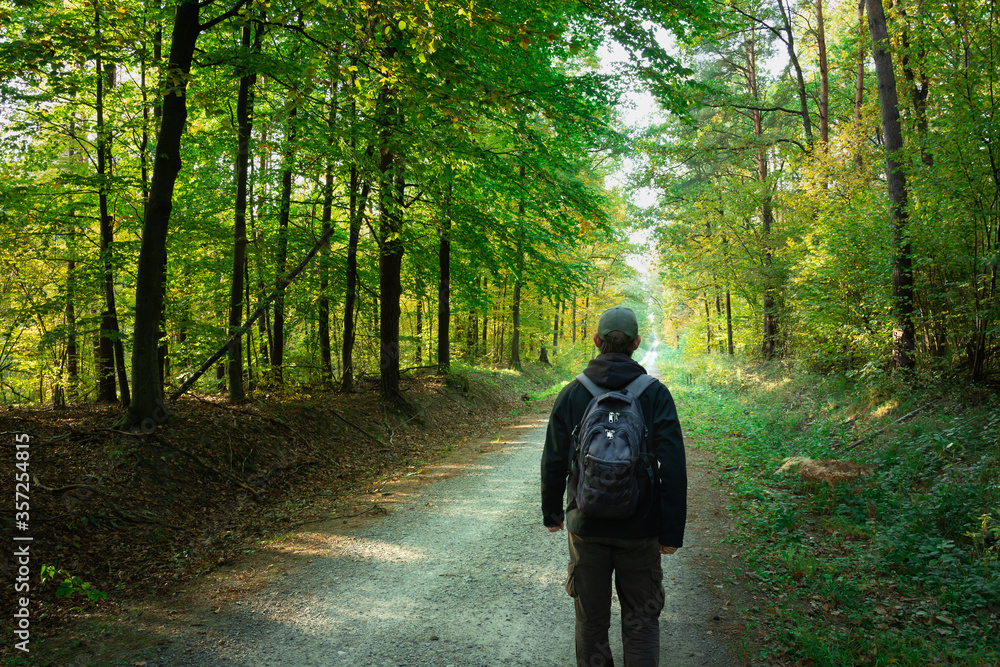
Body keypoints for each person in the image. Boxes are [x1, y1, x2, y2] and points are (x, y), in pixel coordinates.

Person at [541, 305, 687, 667]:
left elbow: (554, 457)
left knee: (591, 621)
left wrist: (552, 513)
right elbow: (673, 466)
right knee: (641, 620)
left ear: (596, 341)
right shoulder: (655, 394)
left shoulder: (573, 392)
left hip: (586, 525)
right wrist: (671, 532)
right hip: (640, 528)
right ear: (636, 343)